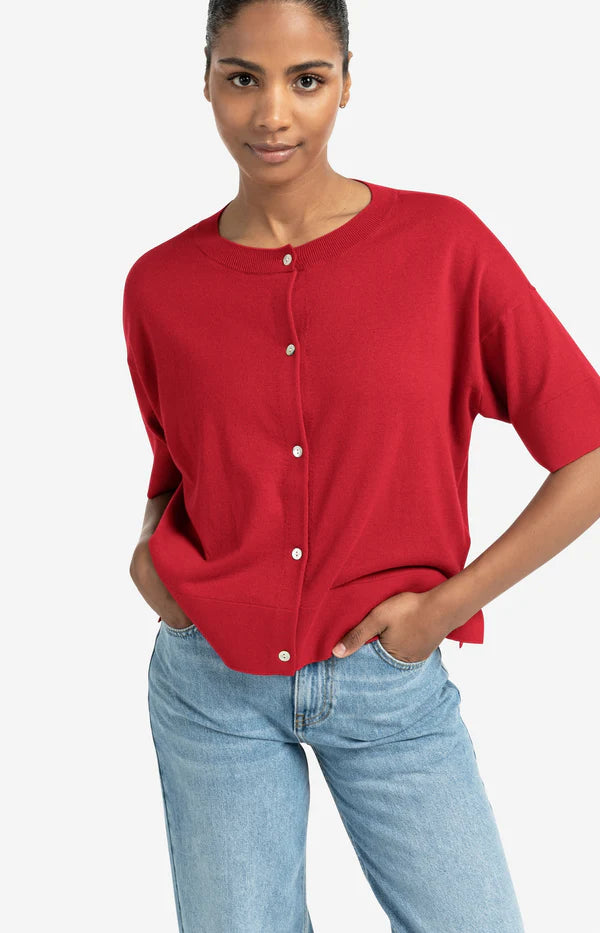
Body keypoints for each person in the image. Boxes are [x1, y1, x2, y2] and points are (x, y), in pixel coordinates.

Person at [122, 1, 600, 930]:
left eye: (306, 79)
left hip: (387, 678)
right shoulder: (159, 284)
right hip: (211, 682)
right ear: (206, 81)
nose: (273, 114)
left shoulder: (443, 246)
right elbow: (175, 461)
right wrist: (148, 553)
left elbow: (586, 449)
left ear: (346, 83)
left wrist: (444, 609)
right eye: (242, 78)